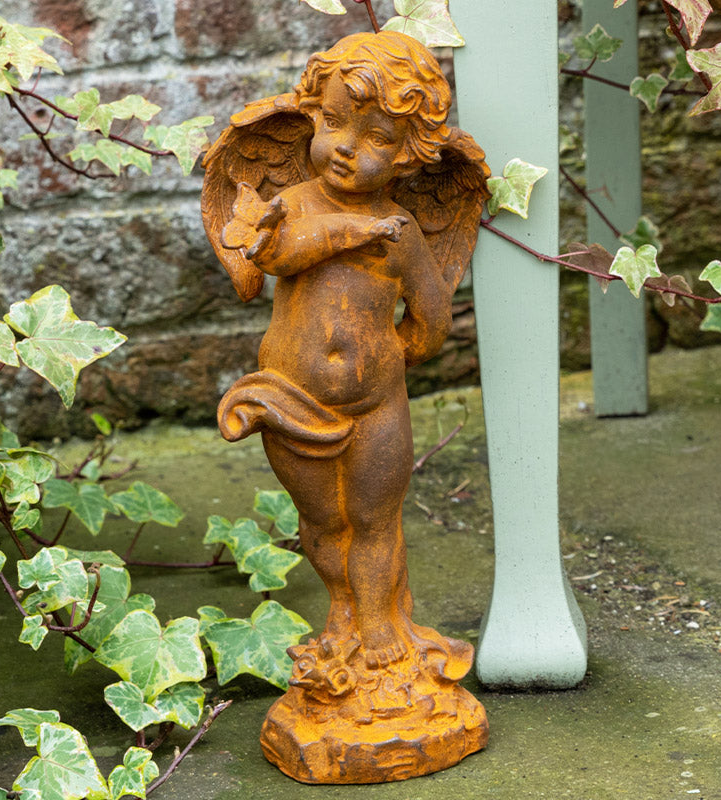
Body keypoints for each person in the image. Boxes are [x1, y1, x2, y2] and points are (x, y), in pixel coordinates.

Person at [218, 31, 471, 677]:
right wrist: (353, 231)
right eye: (332, 122)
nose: (346, 147)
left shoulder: (403, 232)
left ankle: (382, 619)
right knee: (325, 523)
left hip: (377, 405)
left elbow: (432, 311)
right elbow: (278, 255)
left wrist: (392, 357)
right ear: (312, 114)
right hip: (294, 401)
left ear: (410, 157)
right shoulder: (294, 206)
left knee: (376, 520)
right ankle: (341, 607)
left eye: (378, 138)